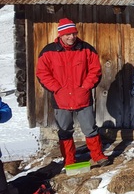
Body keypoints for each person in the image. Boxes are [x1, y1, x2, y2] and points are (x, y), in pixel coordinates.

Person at [36, 18, 109, 167]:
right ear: (60, 35)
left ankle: (98, 156)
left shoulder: (86, 49)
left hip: (83, 97)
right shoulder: (48, 51)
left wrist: (85, 87)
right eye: (68, 34)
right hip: (61, 99)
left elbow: (95, 70)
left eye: (74, 34)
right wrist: (57, 88)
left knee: (90, 128)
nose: (71, 37)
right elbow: (42, 73)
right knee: (64, 131)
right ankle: (69, 160)